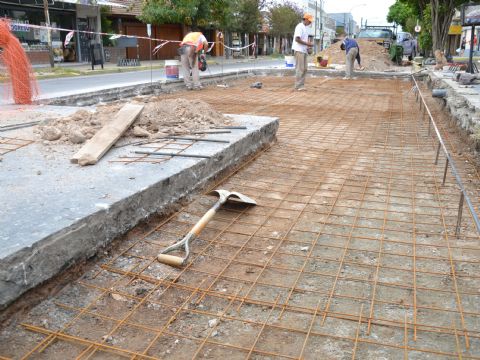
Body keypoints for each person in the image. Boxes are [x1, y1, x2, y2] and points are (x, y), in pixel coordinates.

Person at [292, 13, 314, 91]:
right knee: (300, 68)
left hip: (303, 51)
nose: (310, 23)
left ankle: (301, 85)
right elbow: (297, 39)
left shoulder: (304, 28)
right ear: (305, 19)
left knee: (304, 69)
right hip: (299, 50)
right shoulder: (299, 27)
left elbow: (303, 40)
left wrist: (308, 47)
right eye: (309, 21)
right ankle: (298, 86)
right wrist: (307, 44)